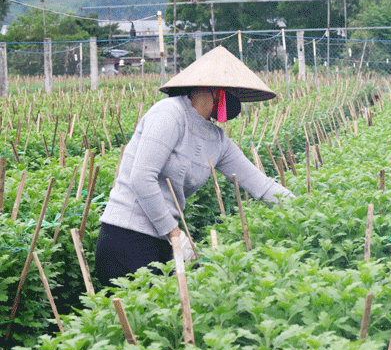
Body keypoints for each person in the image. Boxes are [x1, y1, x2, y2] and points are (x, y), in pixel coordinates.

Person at [95, 45, 292, 288]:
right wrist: (175, 235)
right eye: (228, 91)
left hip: (164, 242)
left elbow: (260, 185)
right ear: (211, 89)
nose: (233, 100)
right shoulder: (169, 114)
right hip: (126, 239)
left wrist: (304, 208)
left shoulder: (217, 140)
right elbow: (141, 178)